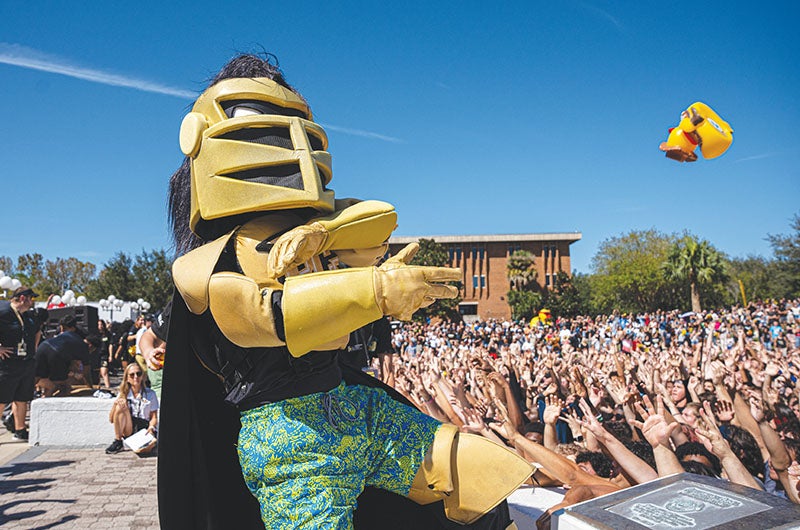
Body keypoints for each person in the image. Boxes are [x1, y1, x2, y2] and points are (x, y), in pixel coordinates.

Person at [158, 53, 531, 530]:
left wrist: (327, 238)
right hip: (290, 437)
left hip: (355, 409)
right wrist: (372, 289)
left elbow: (379, 217)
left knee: (478, 480)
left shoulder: (321, 234)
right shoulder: (208, 262)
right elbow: (260, 317)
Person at [0, 287, 40, 440]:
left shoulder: (29, 316)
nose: (33, 302)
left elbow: (37, 331)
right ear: (23, 298)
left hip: (26, 362)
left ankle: (20, 430)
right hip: (7, 363)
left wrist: (33, 348)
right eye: (31, 298)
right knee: (2, 399)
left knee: (22, 398)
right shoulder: (3, 311)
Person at [105, 362, 159, 454]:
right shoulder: (123, 394)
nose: (135, 377)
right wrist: (115, 405)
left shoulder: (150, 394)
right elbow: (111, 420)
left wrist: (151, 428)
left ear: (142, 376)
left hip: (144, 427)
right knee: (120, 406)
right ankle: (118, 441)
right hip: (130, 427)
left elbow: (154, 417)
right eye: (132, 375)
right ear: (127, 378)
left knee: (145, 451)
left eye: (138, 374)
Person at [34, 315, 91, 396]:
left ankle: (21, 400)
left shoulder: (58, 336)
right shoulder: (81, 344)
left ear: (61, 328)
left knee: (37, 380)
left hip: (43, 346)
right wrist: (90, 387)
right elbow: (86, 370)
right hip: (57, 352)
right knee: (63, 386)